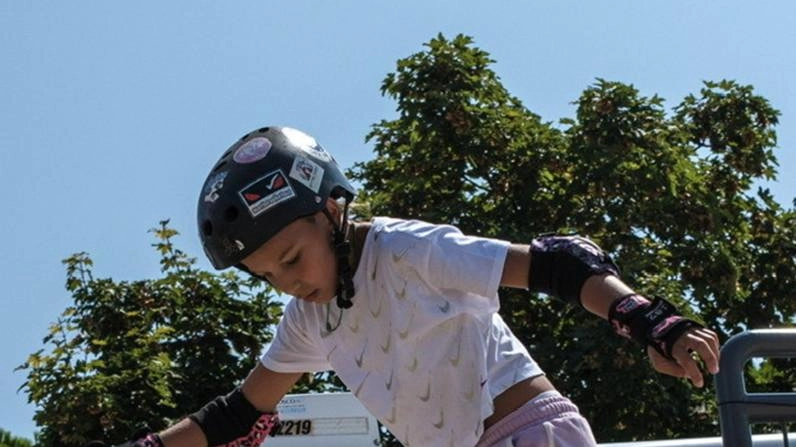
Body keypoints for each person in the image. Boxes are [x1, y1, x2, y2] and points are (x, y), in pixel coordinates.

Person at [111, 126, 720, 447]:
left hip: (527, 435)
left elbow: (560, 263)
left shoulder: (407, 252)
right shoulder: (307, 320)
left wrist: (649, 321)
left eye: (293, 259)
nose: (290, 285)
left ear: (332, 213)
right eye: (268, 277)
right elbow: (240, 416)